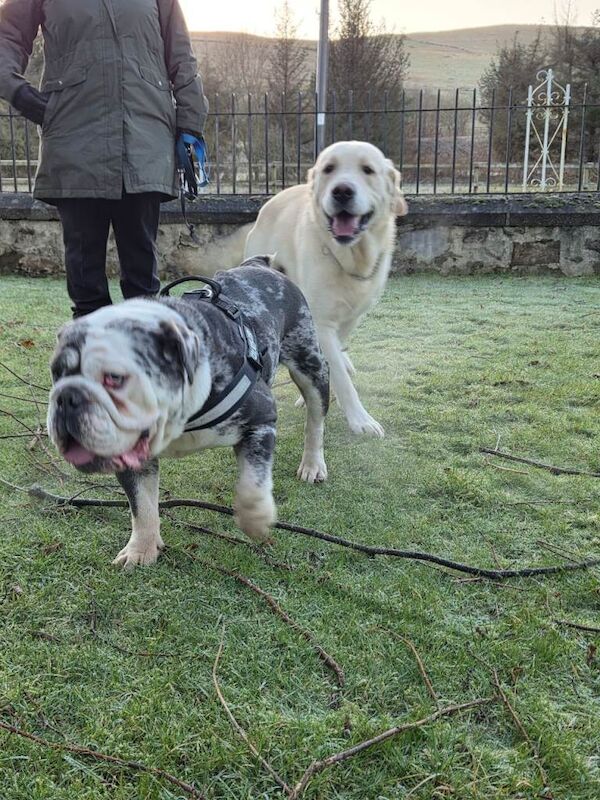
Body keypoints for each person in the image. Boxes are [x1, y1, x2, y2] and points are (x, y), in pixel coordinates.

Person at [0, 0, 208, 318]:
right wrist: (17, 91)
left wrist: (190, 122)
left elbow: (181, 53)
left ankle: (147, 364)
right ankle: (89, 363)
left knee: (143, 288)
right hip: (75, 141)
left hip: (142, 141)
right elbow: (7, 35)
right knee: (86, 288)